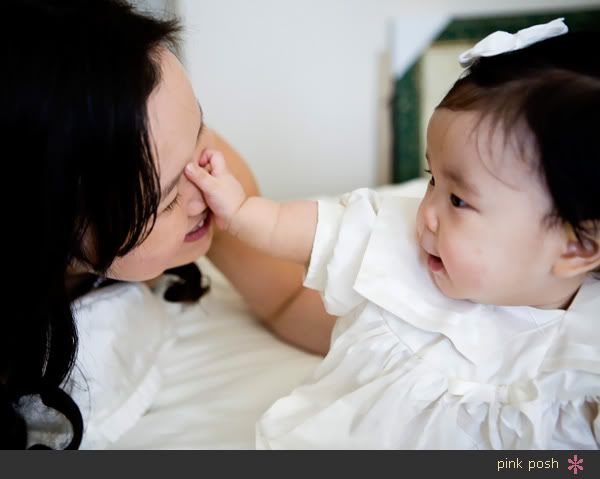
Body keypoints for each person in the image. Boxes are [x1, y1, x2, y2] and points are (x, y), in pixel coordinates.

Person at [186, 19, 600, 448]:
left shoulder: (586, 358)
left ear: (577, 245)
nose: (428, 213)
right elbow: (307, 228)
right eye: (431, 179)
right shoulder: (400, 238)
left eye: (459, 200)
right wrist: (240, 211)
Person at [1, 0, 334, 449]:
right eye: (169, 197)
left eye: (200, 126)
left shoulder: (206, 170)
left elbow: (288, 297)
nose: (209, 187)